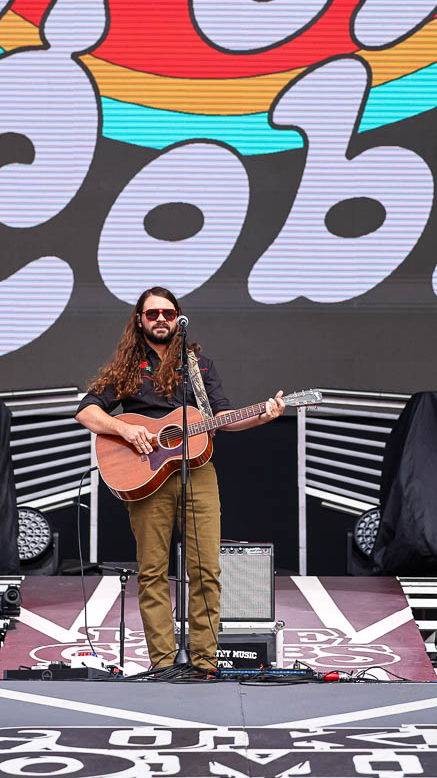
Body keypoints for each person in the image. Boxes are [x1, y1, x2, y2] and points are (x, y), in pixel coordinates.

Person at [76, 286, 283, 671]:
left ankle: (205, 662)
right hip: (147, 475)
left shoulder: (198, 365)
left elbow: (225, 417)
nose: (160, 320)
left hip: (198, 471)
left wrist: (264, 415)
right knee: (152, 571)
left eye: (168, 314)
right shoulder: (125, 366)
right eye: (152, 313)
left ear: (178, 319)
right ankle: (164, 664)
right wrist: (125, 431)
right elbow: (87, 412)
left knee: (206, 569)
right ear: (139, 320)